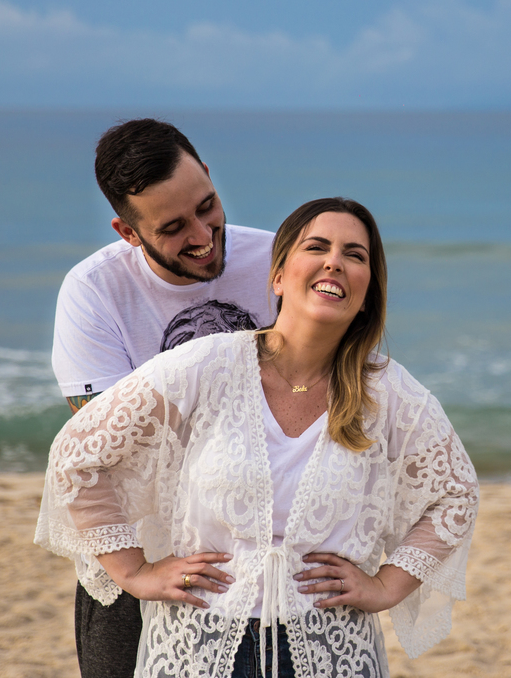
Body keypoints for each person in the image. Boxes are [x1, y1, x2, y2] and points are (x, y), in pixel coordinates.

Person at [36, 197, 479, 678]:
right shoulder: (205, 365)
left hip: (331, 652)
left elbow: (456, 493)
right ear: (278, 277)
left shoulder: (389, 392)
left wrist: (387, 585)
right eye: (317, 247)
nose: (335, 262)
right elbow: (77, 455)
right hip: (198, 650)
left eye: (355, 255)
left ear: (368, 291)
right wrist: (134, 571)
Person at [52, 119, 276, 678]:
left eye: (208, 206)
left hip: (266, 550)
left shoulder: (281, 261)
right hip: (142, 552)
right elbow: (96, 451)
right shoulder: (94, 291)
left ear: (210, 176)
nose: (203, 235)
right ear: (128, 233)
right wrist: (133, 573)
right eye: (173, 227)